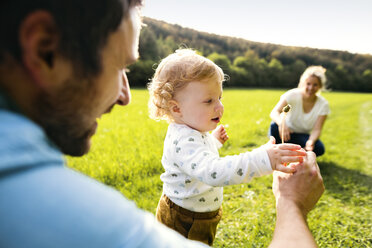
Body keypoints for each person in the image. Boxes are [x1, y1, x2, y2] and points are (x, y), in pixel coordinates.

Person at [0, 0, 324, 247]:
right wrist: (291, 205)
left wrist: (216, 142)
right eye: (119, 66)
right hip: (185, 217)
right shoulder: (84, 224)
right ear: (44, 50)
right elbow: (210, 170)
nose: (126, 95)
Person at [147, 49, 307, 245]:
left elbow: (198, 157)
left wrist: (213, 141)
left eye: (219, 98)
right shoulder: (183, 139)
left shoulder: (192, 130)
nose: (219, 107)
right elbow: (214, 172)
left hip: (197, 214)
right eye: (208, 101)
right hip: (184, 219)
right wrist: (263, 159)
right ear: (176, 108)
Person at [269, 66, 330, 156]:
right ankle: (279, 152)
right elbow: (274, 112)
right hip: (285, 132)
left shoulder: (323, 104)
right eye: (308, 84)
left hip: (302, 136)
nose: (311, 88)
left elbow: (317, 129)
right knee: (274, 126)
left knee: (319, 148)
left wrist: (310, 141)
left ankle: (296, 153)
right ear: (303, 83)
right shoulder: (292, 95)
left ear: (320, 86)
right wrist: (282, 123)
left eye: (315, 85)